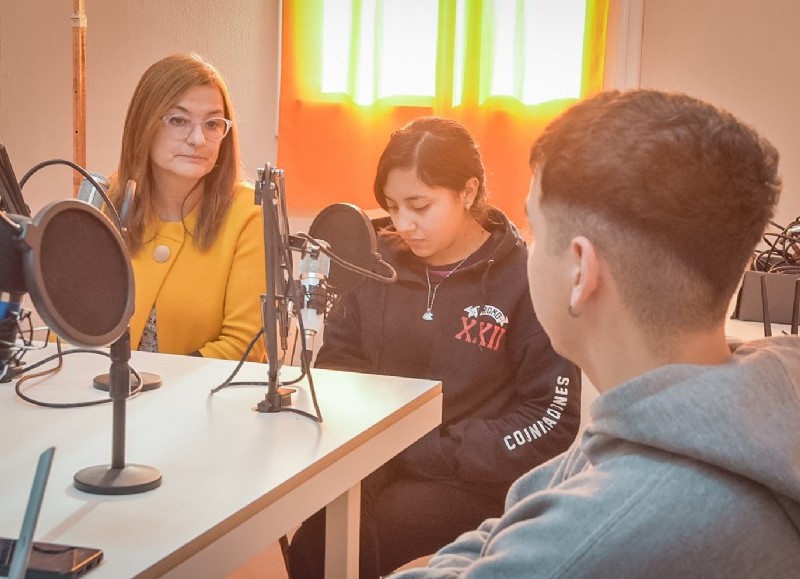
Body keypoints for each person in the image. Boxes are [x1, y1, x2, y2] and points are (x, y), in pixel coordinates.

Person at [391, 89, 800, 578]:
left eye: (535, 230)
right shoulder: (747, 397)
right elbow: (514, 521)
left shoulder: (600, 536)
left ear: (581, 271)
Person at [288, 116, 581, 578]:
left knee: (371, 536)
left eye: (420, 206)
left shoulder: (526, 279)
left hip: (469, 474)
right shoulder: (373, 261)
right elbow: (340, 363)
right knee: (316, 547)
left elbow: (550, 417)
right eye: (392, 205)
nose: (404, 223)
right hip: (374, 455)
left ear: (467, 191)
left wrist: (437, 450)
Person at [106, 53, 265, 361]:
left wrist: (154, 391)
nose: (198, 139)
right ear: (143, 126)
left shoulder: (250, 214)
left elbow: (244, 345)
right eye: (178, 120)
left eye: (213, 124)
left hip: (204, 402)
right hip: (105, 398)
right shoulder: (109, 199)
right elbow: (74, 326)